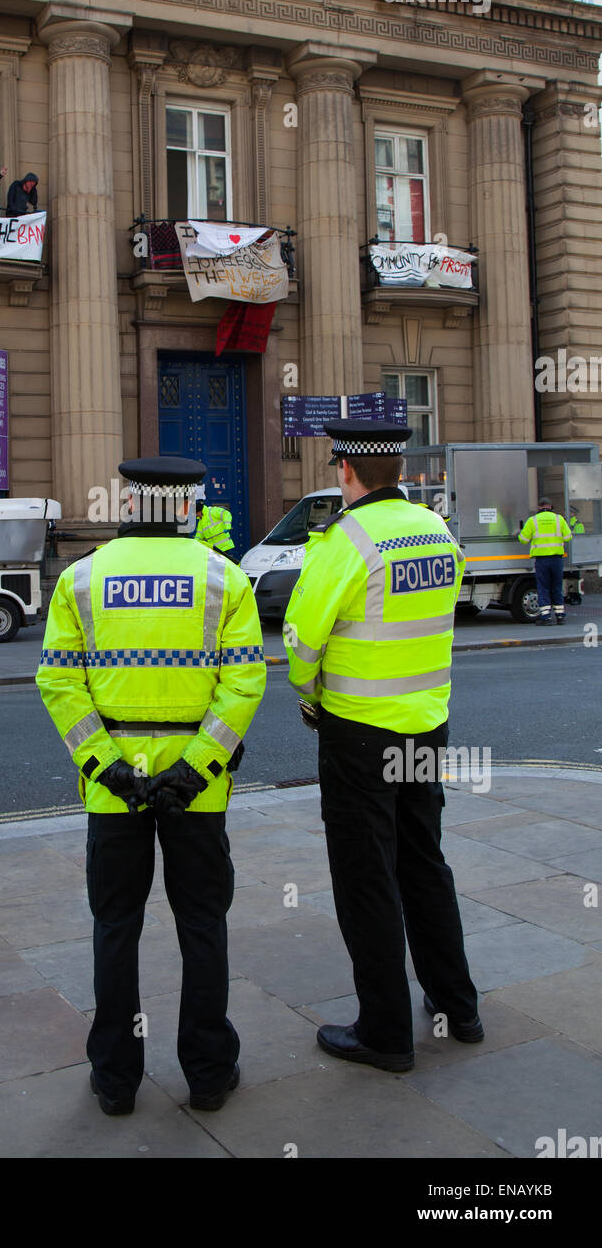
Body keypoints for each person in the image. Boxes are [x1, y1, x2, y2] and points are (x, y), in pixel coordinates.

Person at [36, 457, 265, 1115]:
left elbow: (57, 681)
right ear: (189, 509)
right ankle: (208, 1072)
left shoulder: (81, 578)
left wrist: (105, 766)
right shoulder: (224, 578)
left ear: (130, 505)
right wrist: (194, 768)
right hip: (198, 789)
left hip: (114, 791)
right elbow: (244, 682)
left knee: (115, 925)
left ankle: (114, 1078)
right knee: (201, 924)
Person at [284, 419, 482, 1073]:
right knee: (423, 860)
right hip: (426, 723)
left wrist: (310, 698)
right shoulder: (433, 528)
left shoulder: (346, 540)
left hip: (359, 732)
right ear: (395, 470)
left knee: (366, 875)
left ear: (345, 471)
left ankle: (385, 1032)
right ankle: (457, 1006)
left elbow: (301, 641)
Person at [518, 498, 572, 625]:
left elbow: (523, 540)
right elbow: (568, 537)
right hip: (557, 559)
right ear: (551, 506)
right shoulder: (559, 519)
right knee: (557, 587)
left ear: (539, 507)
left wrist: (520, 533)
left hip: (542, 560)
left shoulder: (533, 520)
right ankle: (560, 616)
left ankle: (546, 617)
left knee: (543, 587)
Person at [193, 494, 236, 561]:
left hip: (225, 547)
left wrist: (227, 526)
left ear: (199, 511)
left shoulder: (212, 511)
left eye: (195, 513)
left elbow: (226, 513)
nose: (195, 516)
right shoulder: (201, 521)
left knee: (227, 566)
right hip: (214, 549)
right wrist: (195, 543)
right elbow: (199, 535)